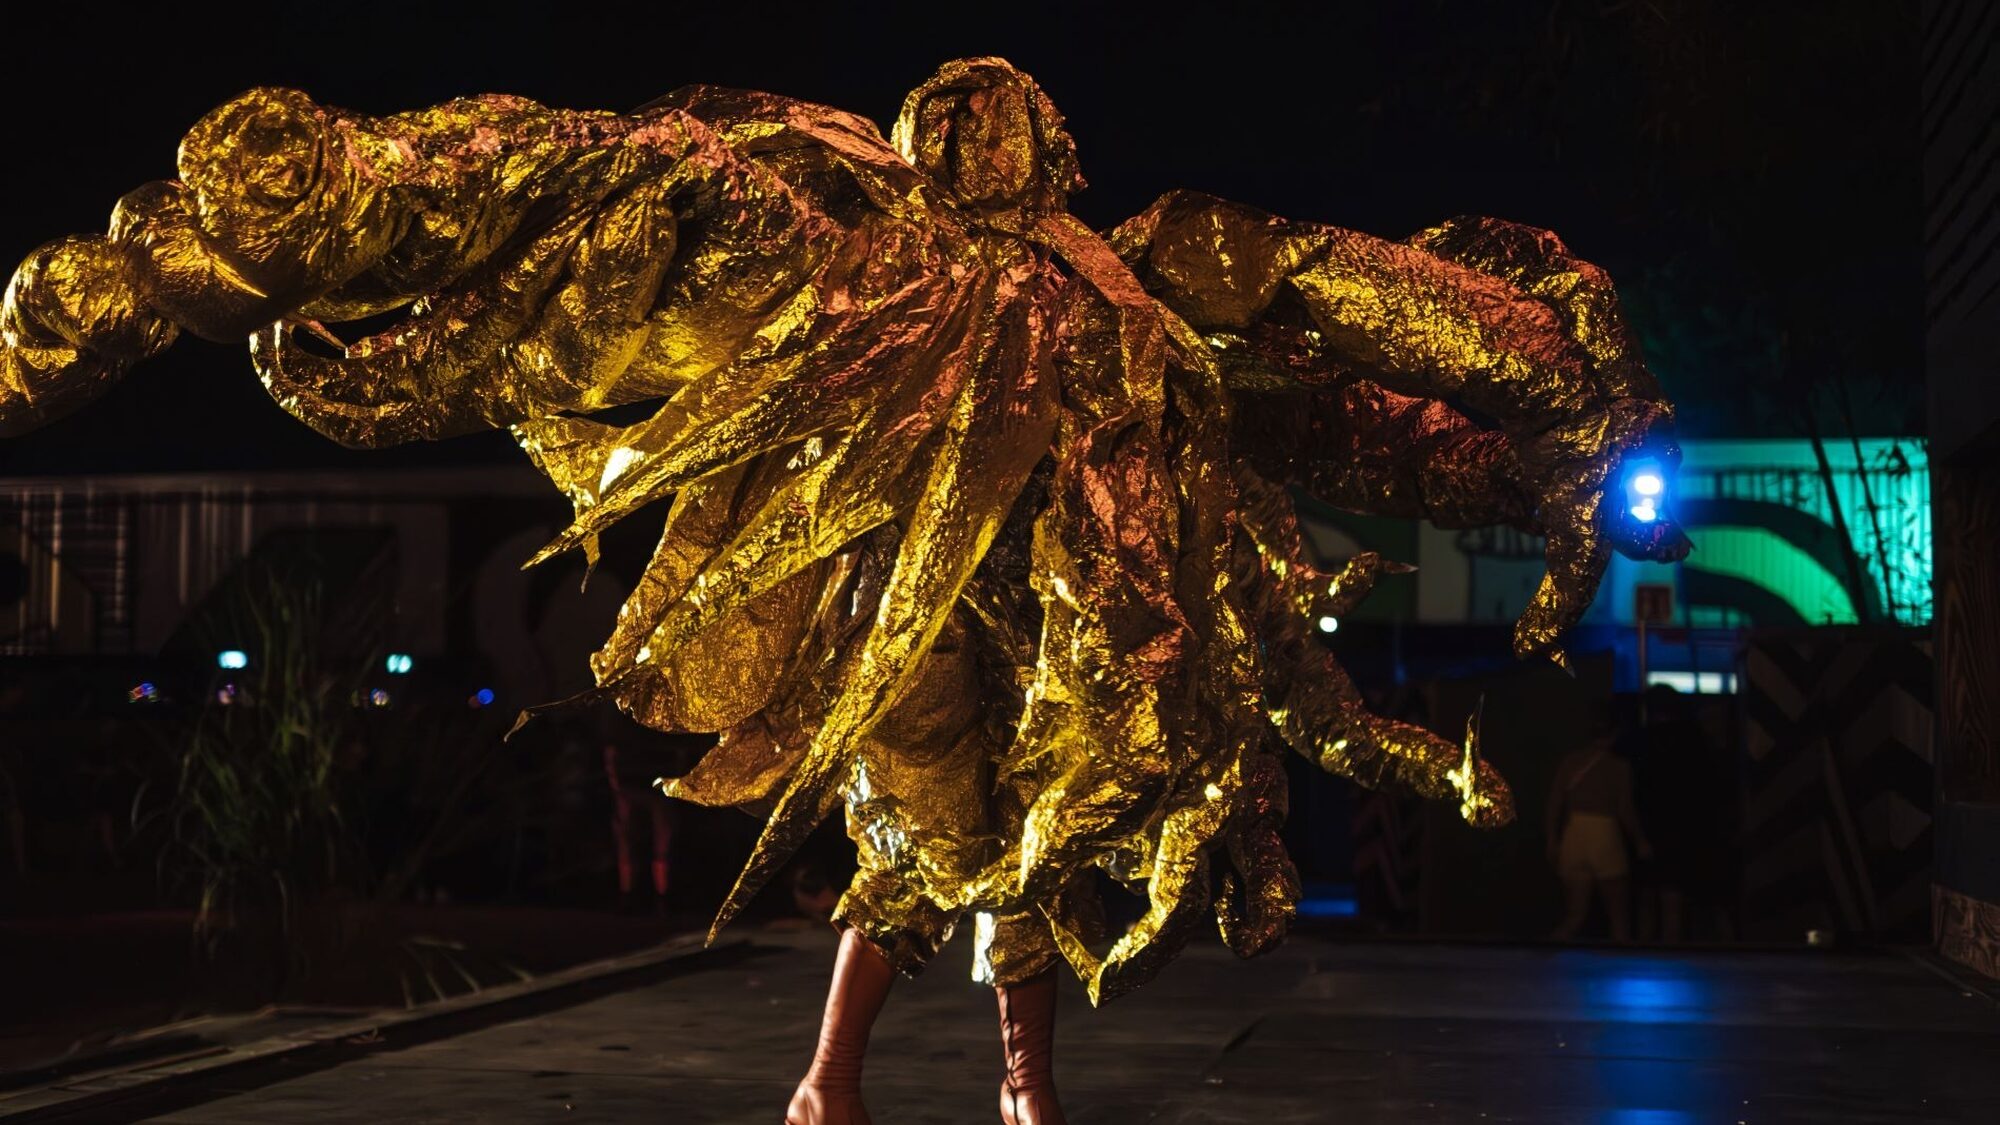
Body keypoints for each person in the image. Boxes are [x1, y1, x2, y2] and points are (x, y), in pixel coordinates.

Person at [0, 57, 1687, 1125]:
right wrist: (296, 219)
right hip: (913, 603)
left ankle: (895, 1084)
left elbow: (1338, 365)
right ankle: (884, 1083)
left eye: (998, 116)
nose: (986, 131)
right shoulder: (851, 248)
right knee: (940, 848)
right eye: (969, 119)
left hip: (1035, 621)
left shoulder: (1129, 286)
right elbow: (579, 183)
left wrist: (1540, 431)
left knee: (971, 848)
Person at [1547, 714, 1653, 941]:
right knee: (1619, 917)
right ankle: (1619, 968)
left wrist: (1553, 840)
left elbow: (1555, 803)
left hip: (1574, 834)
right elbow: (1625, 809)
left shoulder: (1570, 762)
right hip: (1605, 834)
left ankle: (1547, 959)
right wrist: (1640, 841)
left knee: (1575, 915)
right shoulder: (1619, 767)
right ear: (1614, 734)